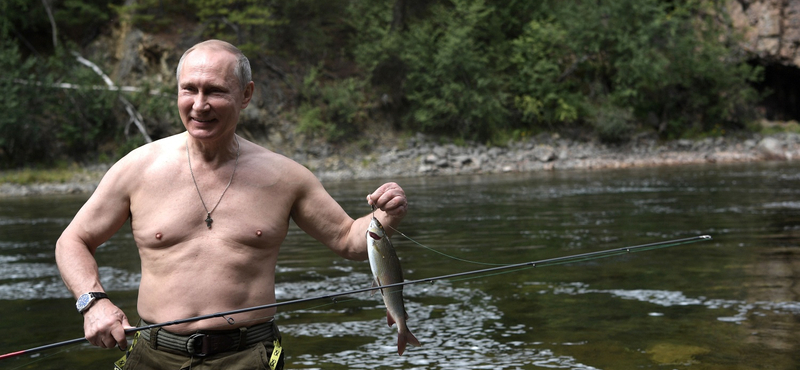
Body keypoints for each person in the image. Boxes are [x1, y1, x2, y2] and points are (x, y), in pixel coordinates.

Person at [54, 39, 408, 370]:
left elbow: (348, 238)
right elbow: (73, 240)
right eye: (189, 89)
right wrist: (93, 302)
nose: (199, 104)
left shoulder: (286, 177)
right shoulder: (138, 168)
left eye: (216, 91)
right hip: (152, 354)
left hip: (249, 356)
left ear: (246, 94)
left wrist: (384, 215)